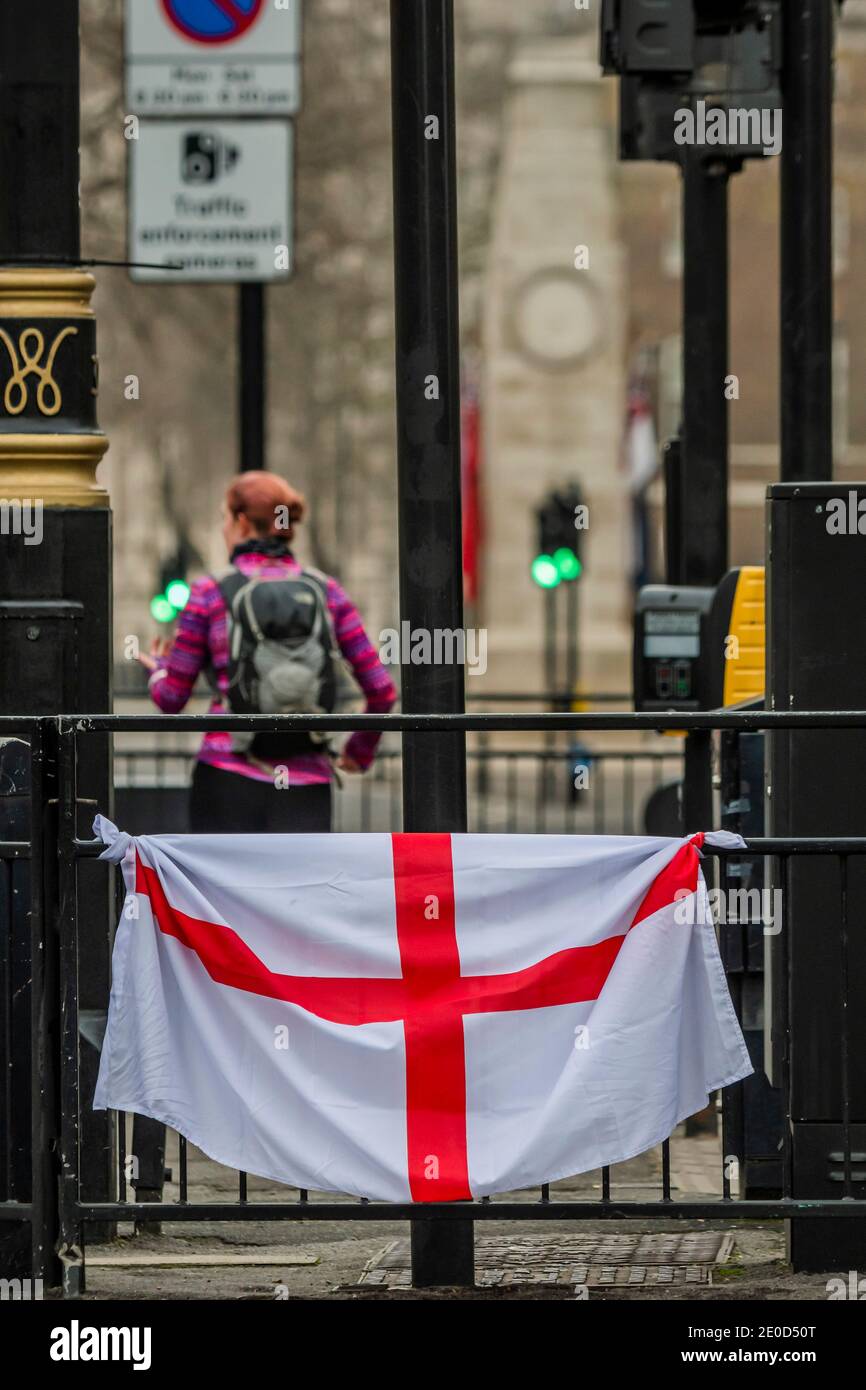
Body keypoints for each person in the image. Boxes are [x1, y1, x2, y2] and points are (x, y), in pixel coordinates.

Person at [138, 470, 397, 833]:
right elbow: (382, 691)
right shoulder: (327, 591)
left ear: (241, 522)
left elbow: (172, 699)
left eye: (224, 519)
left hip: (228, 781)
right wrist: (358, 751)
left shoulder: (208, 592)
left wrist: (159, 670)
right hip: (305, 787)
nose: (223, 528)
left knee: (220, 891)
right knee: (298, 890)